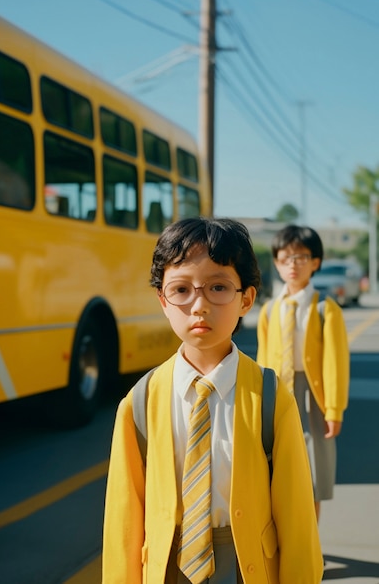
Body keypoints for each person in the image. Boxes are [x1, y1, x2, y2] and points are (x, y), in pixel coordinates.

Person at [102, 217, 323, 584]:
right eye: (181, 290)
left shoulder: (270, 396)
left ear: (246, 299)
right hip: (168, 567)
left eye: (218, 287)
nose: (198, 305)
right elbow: (123, 522)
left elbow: (297, 517)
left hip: (244, 566)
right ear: (163, 300)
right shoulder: (139, 402)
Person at [257, 224, 350, 522]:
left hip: (313, 397)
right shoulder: (270, 310)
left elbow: (336, 362)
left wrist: (334, 409)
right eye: (285, 258)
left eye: (301, 257)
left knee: (312, 476)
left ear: (315, 263)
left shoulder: (325, 308)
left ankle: (310, 547)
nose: (293, 264)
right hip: (278, 395)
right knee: (278, 473)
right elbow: (261, 360)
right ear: (276, 262)